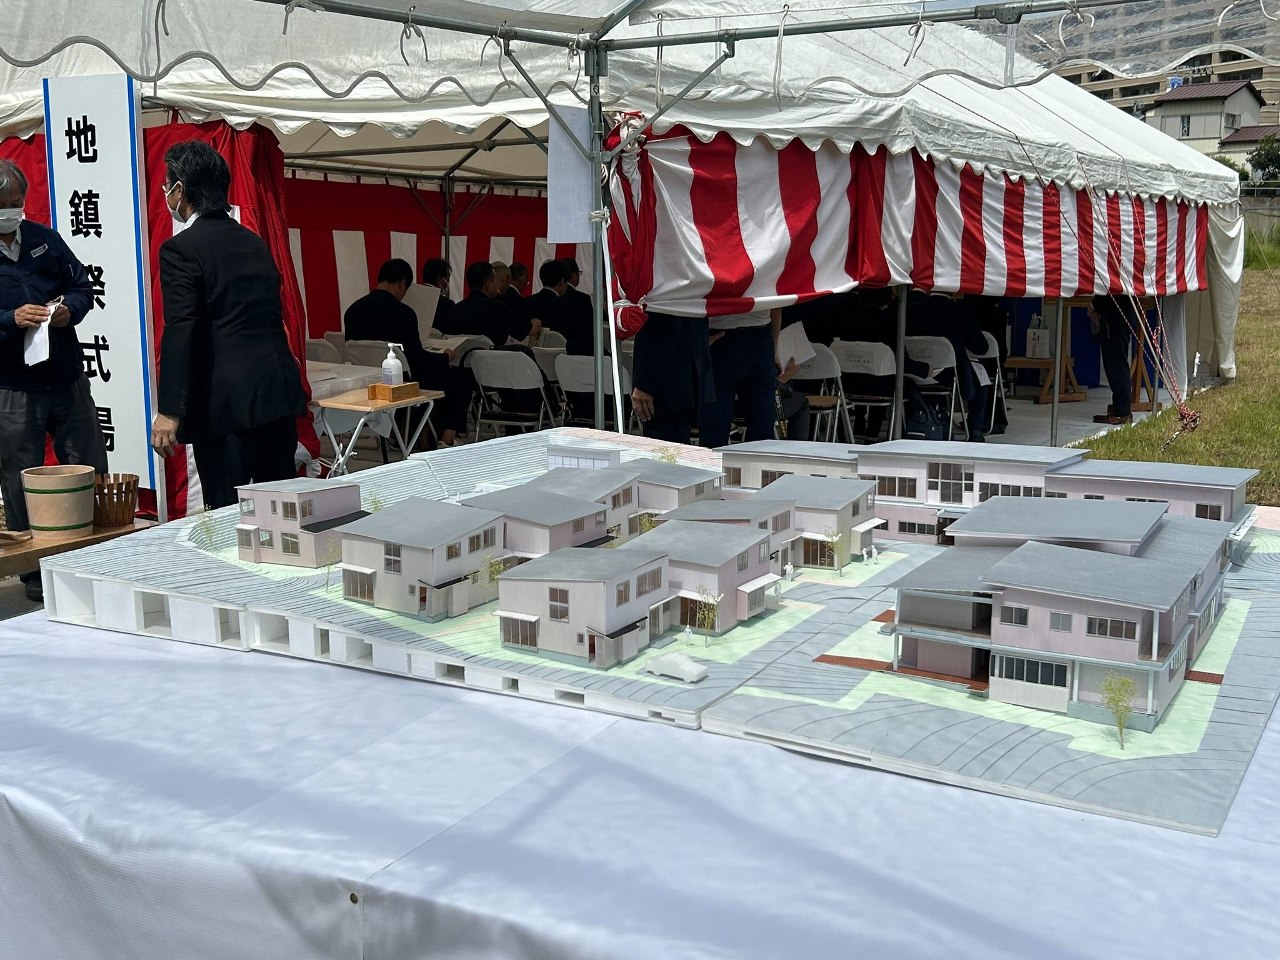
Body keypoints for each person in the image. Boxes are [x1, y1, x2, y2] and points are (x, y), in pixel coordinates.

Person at [152, 140, 306, 510]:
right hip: (275, 392)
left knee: (225, 513)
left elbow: (181, 329)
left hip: (223, 403)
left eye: (167, 186)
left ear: (180, 189)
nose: (166, 194)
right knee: (280, 510)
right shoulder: (254, 242)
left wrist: (170, 409)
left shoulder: (181, 248)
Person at [0, 159, 107, 603]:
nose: (10, 211)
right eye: (3, 205)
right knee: (19, 475)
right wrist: (10, 319)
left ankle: (99, 554)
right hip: (12, 386)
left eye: (16, 202)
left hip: (65, 377)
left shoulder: (45, 239)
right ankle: (33, 569)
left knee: (88, 462)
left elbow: (83, 286)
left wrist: (69, 311)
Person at [343, 258, 467, 446]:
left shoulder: (353, 311)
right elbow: (416, 359)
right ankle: (447, 437)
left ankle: (406, 432)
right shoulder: (403, 313)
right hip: (401, 382)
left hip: (368, 381)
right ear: (402, 284)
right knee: (457, 378)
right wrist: (444, 357)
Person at [697, 307, 780, 448]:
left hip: (729, 335)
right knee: (761, 434)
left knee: (716, 433)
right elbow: (778, 304)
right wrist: (774, 346)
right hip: (755, 335)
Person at [631, 311, 713, 445]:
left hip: (668, 384)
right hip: (684, 375)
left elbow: (662, 328)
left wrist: (646, 384)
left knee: (664, 449)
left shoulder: (667, 299)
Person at [441, 261, 537, 346]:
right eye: (495, 280)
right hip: (493, 360)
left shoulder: (454, 311)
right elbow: (525, 331)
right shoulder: (499, 309)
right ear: (488, 285)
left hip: (459, 360)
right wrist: (536, 324)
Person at [1089, 294, 1138, 426]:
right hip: (1117, 316)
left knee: (1116, 365)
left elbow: (1112, 291)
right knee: (1114, 364)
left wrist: (1095, 304)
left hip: (1116, 317)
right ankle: (1119, 408)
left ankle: (1122, 411)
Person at [527, 259, 593, 355]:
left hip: (531, 359)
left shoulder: (527, 302)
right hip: (563, 360)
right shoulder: (569, 307)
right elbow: (586, 337)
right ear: (562, 282)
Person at [421, 258, 454, 330]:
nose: (448, 283)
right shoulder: (446, 304)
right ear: (439, 279)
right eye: (447, 279)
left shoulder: (409, 297)